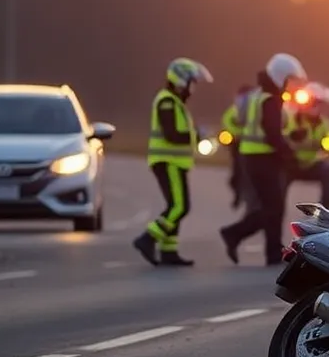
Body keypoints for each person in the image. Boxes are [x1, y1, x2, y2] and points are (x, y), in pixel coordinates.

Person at [219, 52, 308, 266]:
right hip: (263, 158)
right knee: (274, 207)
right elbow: (272, 134)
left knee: (269, 207)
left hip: (253, 157)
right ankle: (265, 248)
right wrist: (290, 156)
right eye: (287, 80)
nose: (288, 85)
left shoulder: (258, 95)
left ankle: (262, 245)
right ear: (280, 77)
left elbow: (269, 129)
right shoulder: (271, 100)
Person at [132, 57, 213, 267]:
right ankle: (148, 238)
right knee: (179, 207)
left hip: (174, 162)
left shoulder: (174, 101)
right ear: (181, 80)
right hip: (168, 161)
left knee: (175, 205)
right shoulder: (167, 101)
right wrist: (196, 135)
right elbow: (172, 134)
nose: (193, 88)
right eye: (192, 82)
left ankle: (169, 251)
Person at [283, 82, 329, 208]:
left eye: (318, 103)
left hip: (312, 164)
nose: (315, 106)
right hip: (292, 163)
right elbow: (282, 136)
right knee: (280, 177)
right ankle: (276, 205)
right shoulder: (293, 119)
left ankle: (327, 207)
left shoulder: (325, 123)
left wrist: (326, 145)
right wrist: (292, 135)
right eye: (312, 102)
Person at [221, 83, 253, 208]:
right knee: (236, 176)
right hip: (237, 145)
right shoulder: (233, 112)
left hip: (251, 147)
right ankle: (238, 195)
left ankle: (248, 198)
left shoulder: (255, 112)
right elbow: (227, 124)